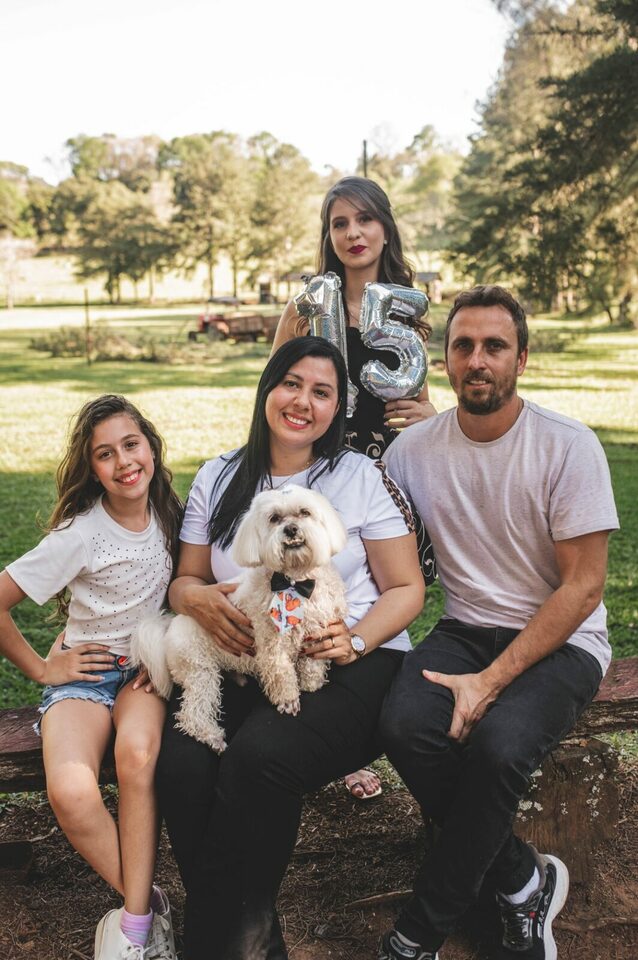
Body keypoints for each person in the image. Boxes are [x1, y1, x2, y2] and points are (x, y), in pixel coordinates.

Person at [155, 336, 425, 959]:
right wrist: (195, 601)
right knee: (183, 767)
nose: (303, 401)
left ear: (337, 408)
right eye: (292, 384)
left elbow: (407, 588)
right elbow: (185, 579)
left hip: (350, 661)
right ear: (268, 389)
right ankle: (252, 935)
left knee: (259, 760)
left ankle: (220, 944)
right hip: (245, 656)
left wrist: (356, 638)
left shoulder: (357, 476)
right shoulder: (220, 475)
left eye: (322, 392)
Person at [378, 285, 619, 960]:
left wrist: (489, 681)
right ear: (444, 360)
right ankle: (522, 881)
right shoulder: (411, 452)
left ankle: (419, 932)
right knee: (402, 726)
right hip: (465, 628)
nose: (477, 360)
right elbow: (378, 555)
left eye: (494, 346)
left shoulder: (567, 447)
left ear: (522, 358)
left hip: (564, 640)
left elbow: (584, 587)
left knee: (498, 747)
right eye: (463, 346)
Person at [0, 395, 183, 960]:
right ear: (92, 468)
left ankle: (133, 928)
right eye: (105, 454)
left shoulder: (172, 513)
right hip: (83, 676)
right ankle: (146, 902)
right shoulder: (80, 535)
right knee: (71, 791)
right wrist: (43, 666)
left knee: (136, 755)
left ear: (151, 447)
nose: (124, 461)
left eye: (131, 444)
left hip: (143, 676)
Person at [273, 175, 437, 799]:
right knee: (312, 586)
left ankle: (361, 723)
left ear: (385, 229)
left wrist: (430, 414)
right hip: (320, 470)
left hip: (385, 471)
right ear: (328, 235)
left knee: (378, 595)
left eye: (364, 220)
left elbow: (416, 394)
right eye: (339, 223)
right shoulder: (306, 307)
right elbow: (275, 390)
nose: (353, 233)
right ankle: (325, 734)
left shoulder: (403, 308)